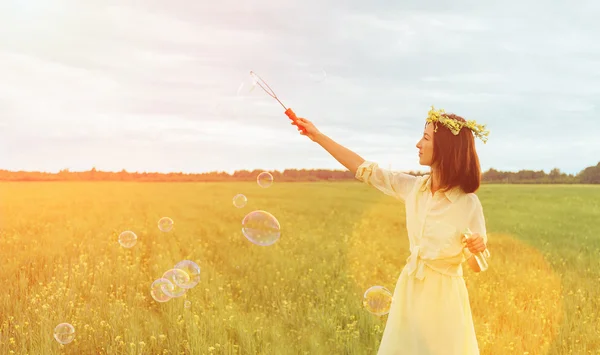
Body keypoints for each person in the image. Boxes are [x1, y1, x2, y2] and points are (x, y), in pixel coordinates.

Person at [291, 106, 490, 355]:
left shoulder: (467, 203)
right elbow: (365, 169)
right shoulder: (413, 188)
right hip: (411, 288)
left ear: (446, 149)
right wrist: (317, 136)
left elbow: (477, 265)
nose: (418, 144)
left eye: (426, 138)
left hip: (444, 298)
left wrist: (478, 247)